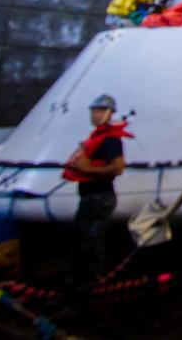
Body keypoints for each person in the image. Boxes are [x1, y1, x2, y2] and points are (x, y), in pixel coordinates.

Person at [62, 93, 129, 293]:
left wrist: (86, 168)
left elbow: (117, 167)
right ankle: (77, 278)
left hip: (100, 196)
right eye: (94, 111)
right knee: (81, 238)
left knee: (92, 240)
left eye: (100, 111)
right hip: (89, 196)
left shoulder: (111, 140)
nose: (95, 115)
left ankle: (89, 281)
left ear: (109, 113)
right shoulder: (95, 138)